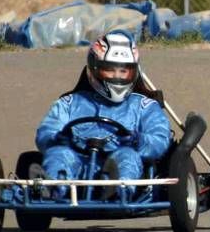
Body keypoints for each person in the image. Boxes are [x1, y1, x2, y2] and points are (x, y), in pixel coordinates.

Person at [32, 29, 171, 199]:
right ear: (95, 69)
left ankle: (120, 191)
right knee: (59, 154)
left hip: (119, 159)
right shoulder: (69, 102)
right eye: (110, 70)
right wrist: (57, 138)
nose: (117, 76)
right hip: (78, 160)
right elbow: (46, 130)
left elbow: (161, 138)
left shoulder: (144, 105)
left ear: (134, 71)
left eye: (123, 71)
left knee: (127, 156)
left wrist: (138, 140)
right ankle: (54, 188)